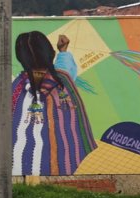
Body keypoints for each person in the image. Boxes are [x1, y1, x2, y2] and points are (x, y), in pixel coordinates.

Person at [10, 31, 95, 175]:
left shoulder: (16, 87)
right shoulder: (63, 81)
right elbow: (65, 68)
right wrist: (63, 51)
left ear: (20, 58)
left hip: (17, 166)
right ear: (50, 52)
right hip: (65, 160)